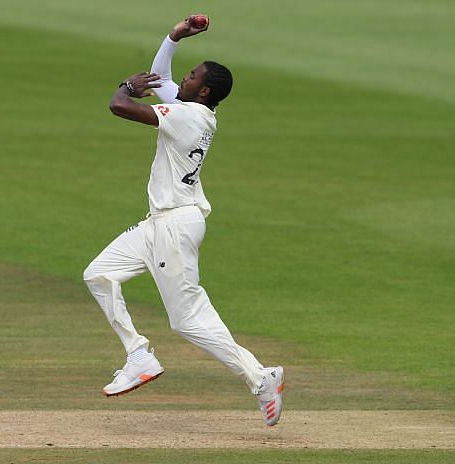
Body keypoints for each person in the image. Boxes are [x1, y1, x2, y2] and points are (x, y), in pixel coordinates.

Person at [83, 16, 285, 426]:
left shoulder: (187, 117)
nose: (184, 79)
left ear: (204, 90)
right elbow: (161, 79)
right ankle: (138, 353)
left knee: (188, 318)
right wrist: (174, 37)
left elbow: (120, 106)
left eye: (192, 76)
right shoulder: (194, 109)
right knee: (99, 275)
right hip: (159, 222)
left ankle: (260, 377)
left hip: (174, 226)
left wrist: (126, 86)